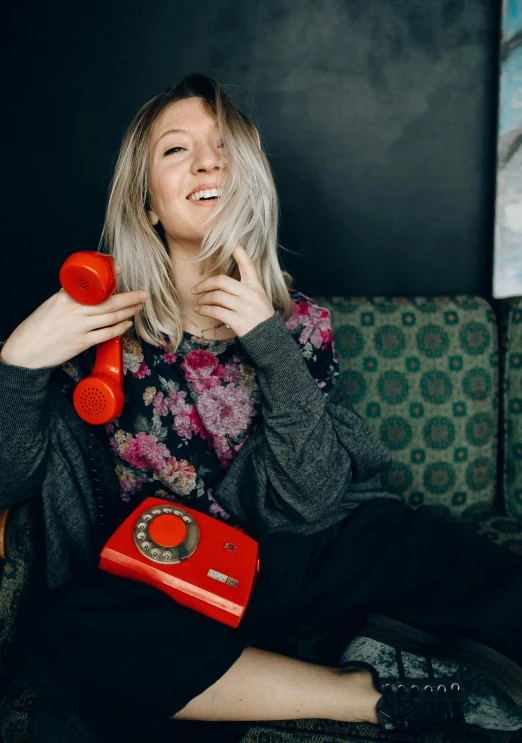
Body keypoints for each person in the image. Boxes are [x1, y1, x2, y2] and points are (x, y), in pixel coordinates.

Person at [1, 73, 522, 742]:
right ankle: (360, 694)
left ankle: (284, 667)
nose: (207, 161)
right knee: (65, 629)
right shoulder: (95, 333)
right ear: (149, 205)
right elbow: (10, 482)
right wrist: (18, 364)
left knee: (481, 574)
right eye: (175, 150)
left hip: (313, 554)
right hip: (185, 588)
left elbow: (312, 499)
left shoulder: (300, 323)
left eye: (222, 147)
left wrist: (269, 344)